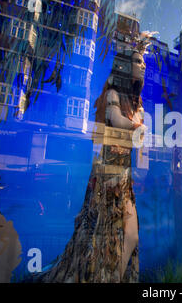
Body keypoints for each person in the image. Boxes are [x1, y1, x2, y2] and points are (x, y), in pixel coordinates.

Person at [37, 33, 151, 283]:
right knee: (103, 236)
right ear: (124, 66)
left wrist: (139, 128)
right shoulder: (113, 95)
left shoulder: (136, 102)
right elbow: (114, 118)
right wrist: (136, 127)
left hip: (123, 179)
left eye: (143, 62)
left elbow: (135, 128)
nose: (142, 65)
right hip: (107, 177)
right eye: (137, 61)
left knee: (128, 235)